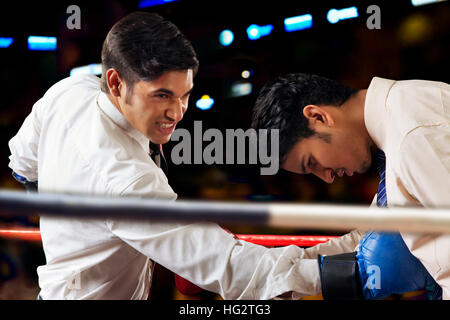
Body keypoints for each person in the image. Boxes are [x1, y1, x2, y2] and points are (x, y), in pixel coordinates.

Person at [8, 11, 330, 300]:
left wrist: (64, 212)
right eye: (162, 96)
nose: (176, 112)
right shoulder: (122, 179)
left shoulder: (69, 91)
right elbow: (222, 263)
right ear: (116, 82)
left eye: (184, 95)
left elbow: (21, 159)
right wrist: (333, 276)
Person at [251, 73, 449, 299]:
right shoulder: (397, 125)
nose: (327, 178)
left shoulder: (414, 134)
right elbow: (369, 238)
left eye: (312, 162)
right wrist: (282, 271)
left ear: (318, 117)